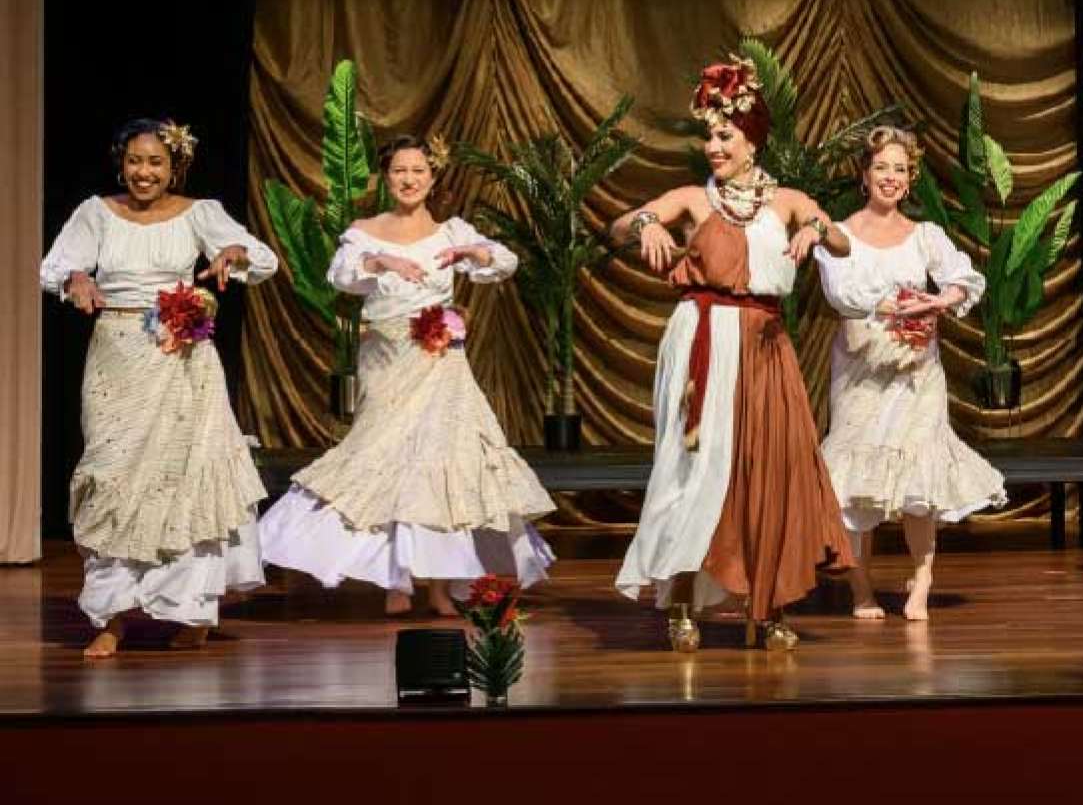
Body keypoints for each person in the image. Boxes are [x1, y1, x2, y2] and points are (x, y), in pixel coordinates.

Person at [612, 57, 855, 651]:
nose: (713, 145)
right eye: (710, 135)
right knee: (695, 471)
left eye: (725, 136)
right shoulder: (695, 198)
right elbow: (619, 226)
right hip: (703, 340)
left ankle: (770, 608)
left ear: (752, 142)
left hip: (766, 348)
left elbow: (844, 240)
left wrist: (818, 231)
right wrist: (645, 221)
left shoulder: (790, 201)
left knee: (771, 472)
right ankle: (681, 604)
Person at [258, 135, 555, 615]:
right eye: (400, 171)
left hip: (441, 364)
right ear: (386, 176)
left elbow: (506, 262)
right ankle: (396, 580)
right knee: (386, 458)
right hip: (387, 359)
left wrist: (475, 255)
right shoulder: (364, 231)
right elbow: (341, 275)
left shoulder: (452, 231)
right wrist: (378, 260)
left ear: (432, 177)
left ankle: (438, 584)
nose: (410, 179)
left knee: (442, 466)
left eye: (418, 171)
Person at [39, 118, 280, 658]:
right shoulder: (95, 211)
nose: (143, 172)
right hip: (116, 356)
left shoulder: (201, 213)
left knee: (185, 477)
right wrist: (77, 278)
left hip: (182, 359)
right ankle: (113, 616)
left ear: (175, 166)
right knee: (114, 474)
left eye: (155, 163)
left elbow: (261, 258)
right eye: (134, 161)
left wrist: (231, 255)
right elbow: (55, 265)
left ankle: (193, 609)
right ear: (121, 163)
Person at [815, 126, 1006, 620]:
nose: (891, 177)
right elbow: (841, 295)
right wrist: (894, 306)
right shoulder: (839, 235)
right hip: (862, 373)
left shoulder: (925, 236)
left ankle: (921, 581)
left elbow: (965, 280)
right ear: (864, 174)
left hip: (919, 374)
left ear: (910, 179)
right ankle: (861, 590)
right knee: (857, 485)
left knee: (919, 479)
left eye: (900, 169)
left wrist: (940, 299)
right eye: (882, 167)